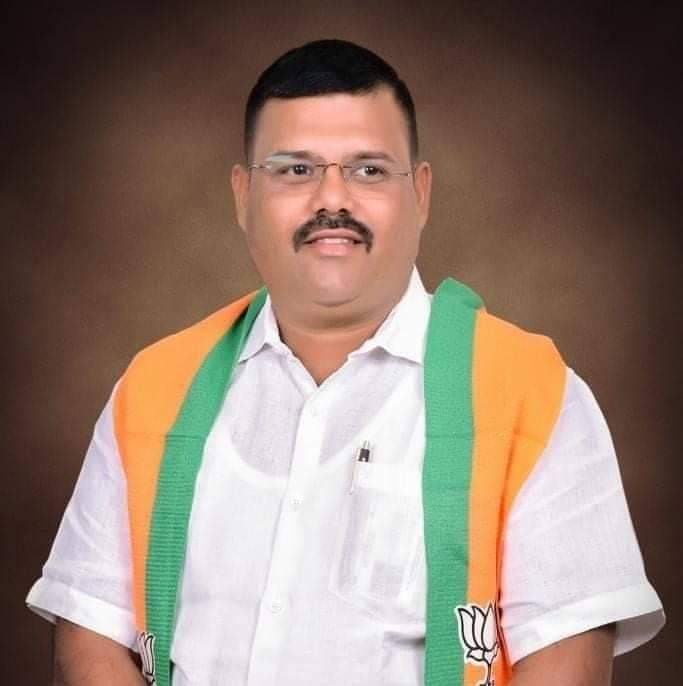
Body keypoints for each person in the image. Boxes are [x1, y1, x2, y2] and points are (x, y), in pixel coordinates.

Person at [27, 39, 664, 686]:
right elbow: (89, 636)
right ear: (242, 195)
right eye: (295, 170)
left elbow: (566, 663)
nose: (332, 200)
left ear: (420, 193)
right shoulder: (154, 390)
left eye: (367, 170)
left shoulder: (533, 395)